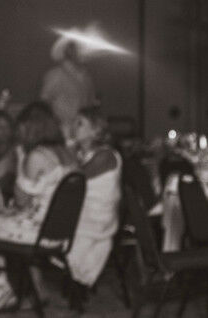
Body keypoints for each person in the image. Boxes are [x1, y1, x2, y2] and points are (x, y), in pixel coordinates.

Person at [0, 101, 75, 310]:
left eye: (20, 126)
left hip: (37, 230)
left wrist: (22, 158)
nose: (17, 131)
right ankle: (16, 288)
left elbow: (21, 201)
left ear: (30, 127)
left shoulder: (36, 156)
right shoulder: (66, 153)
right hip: (58, 230)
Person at [68, 105, 121, 294]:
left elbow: (74, 181)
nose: (74, 127)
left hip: (98, 218)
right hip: (83, 213)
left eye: (80, 124)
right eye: (74, 123)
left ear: (95, 130)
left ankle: (77, 279)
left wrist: (67, 153)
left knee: (52, 225)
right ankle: (74, 279)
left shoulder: (105, 155)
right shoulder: (81, 154)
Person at [40, 37, 98, 141]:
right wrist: (55, 126)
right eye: (77, 48)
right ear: (67, 51)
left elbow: (91, 104)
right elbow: (44, 104)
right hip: (62, 132)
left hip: (84, 133)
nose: (81, 51)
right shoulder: (56, 74)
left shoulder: (86, 77)